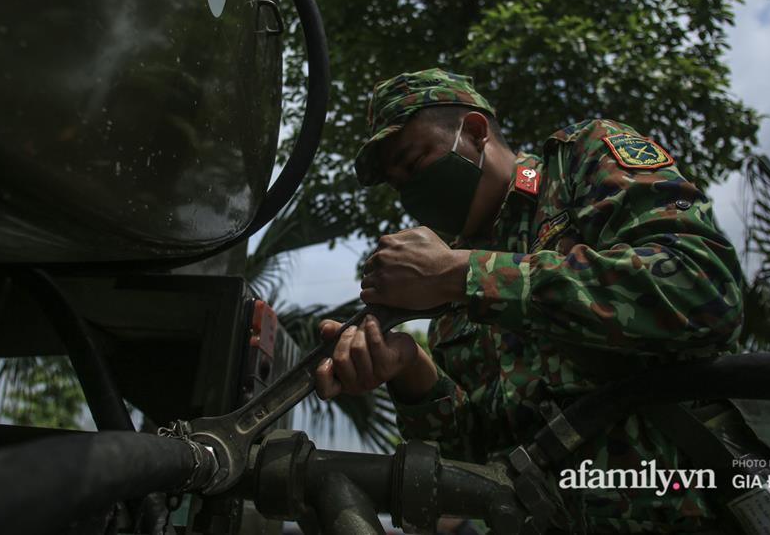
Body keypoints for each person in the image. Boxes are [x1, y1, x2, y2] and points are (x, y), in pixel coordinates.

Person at [314, 68, 745, 532]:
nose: (411, 191)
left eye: (416, 163)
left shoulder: (582, 160)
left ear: (476, 131)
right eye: (398, 184)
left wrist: (465, 275)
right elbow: (471, 460)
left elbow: (703, 287)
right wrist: (412, 373)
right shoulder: (446, 294)